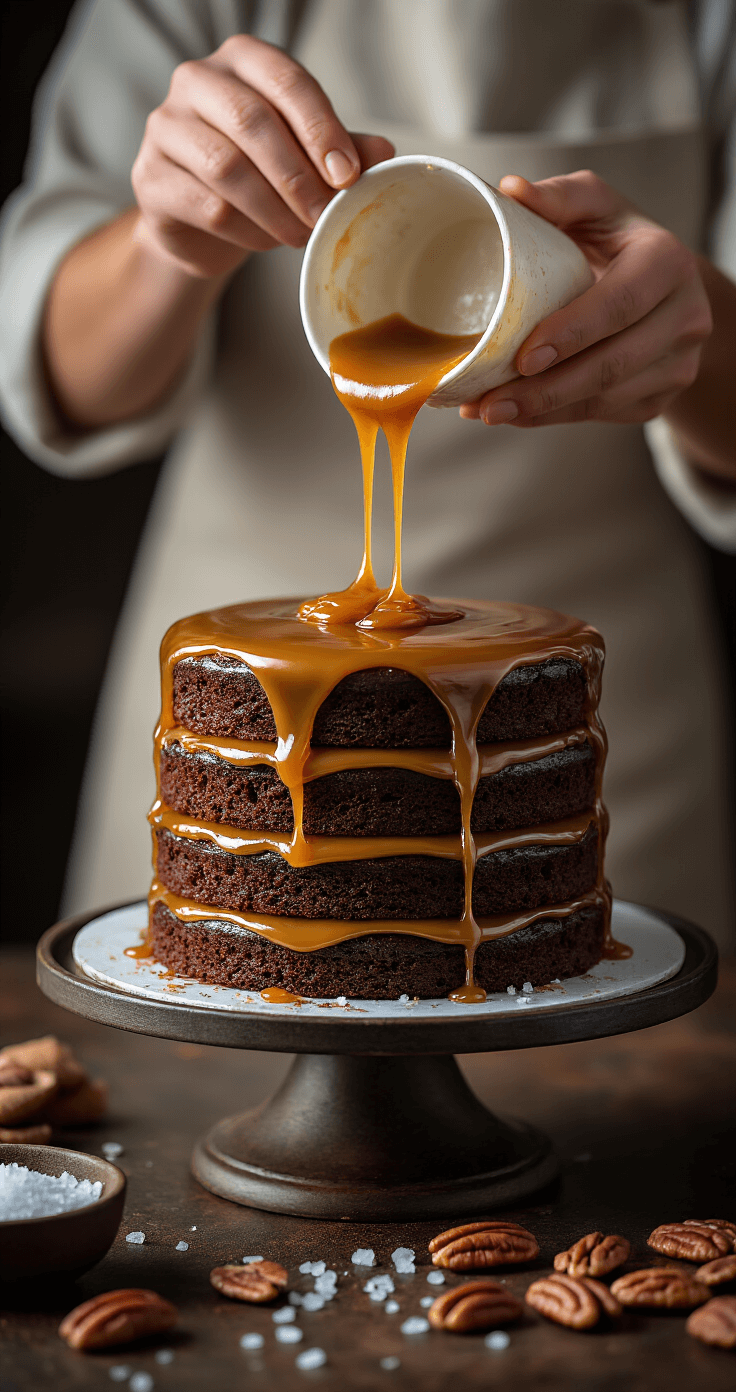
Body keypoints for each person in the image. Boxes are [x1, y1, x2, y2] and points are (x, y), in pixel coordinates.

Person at [0, 0, 734, 944]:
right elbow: (61, 374)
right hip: (241, 752)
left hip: (575, 754)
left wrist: (700, 333)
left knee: (606, 1062)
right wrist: (160, 245)